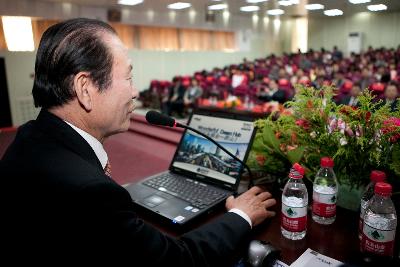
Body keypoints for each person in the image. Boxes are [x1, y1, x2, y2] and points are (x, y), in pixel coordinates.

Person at [1, 18, 276, 266]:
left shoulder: (30, 137)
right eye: (129, 77)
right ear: (85, 89)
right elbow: (178, 260)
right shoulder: (90, 192)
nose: (134, 92)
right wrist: (241, 215)